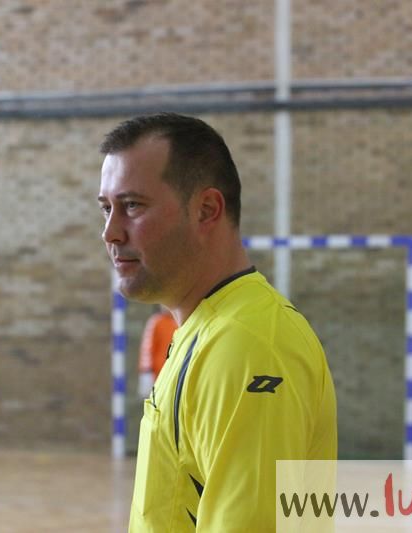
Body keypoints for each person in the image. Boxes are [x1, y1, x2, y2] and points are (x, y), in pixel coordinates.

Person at [97, 113, 337, 532]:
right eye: (106, 209)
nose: (110, 232)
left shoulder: (248, 345)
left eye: (132, 206)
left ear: (206, 210)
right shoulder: (205, 331)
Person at [138, 305, 178, 398]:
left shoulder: (180, 322)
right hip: (158, 374)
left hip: (175, 373)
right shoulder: (156, 321)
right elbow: (147, 349)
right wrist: (146, 371)